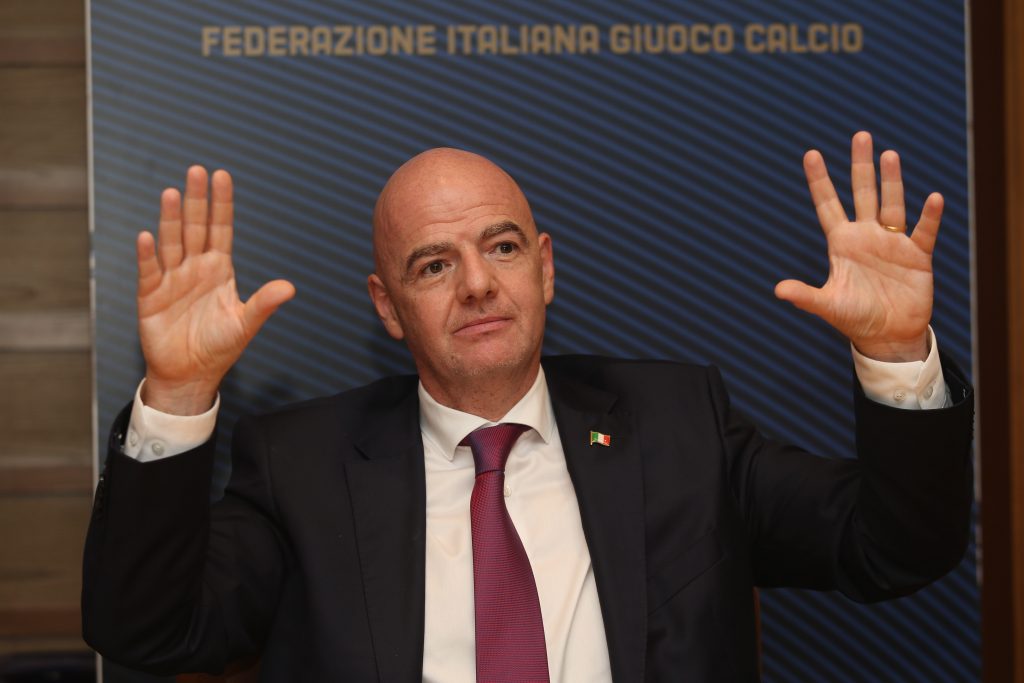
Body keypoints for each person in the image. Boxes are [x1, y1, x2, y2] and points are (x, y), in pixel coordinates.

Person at [82, 132, 974, 681]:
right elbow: (149, 630)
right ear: (388, 306)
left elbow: (894, 547)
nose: (477, 283)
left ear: (544, 268)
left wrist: (897, 354)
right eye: (434, 264)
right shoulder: (302, 466)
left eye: (502, 247)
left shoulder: (678, 425)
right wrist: (179, 393)